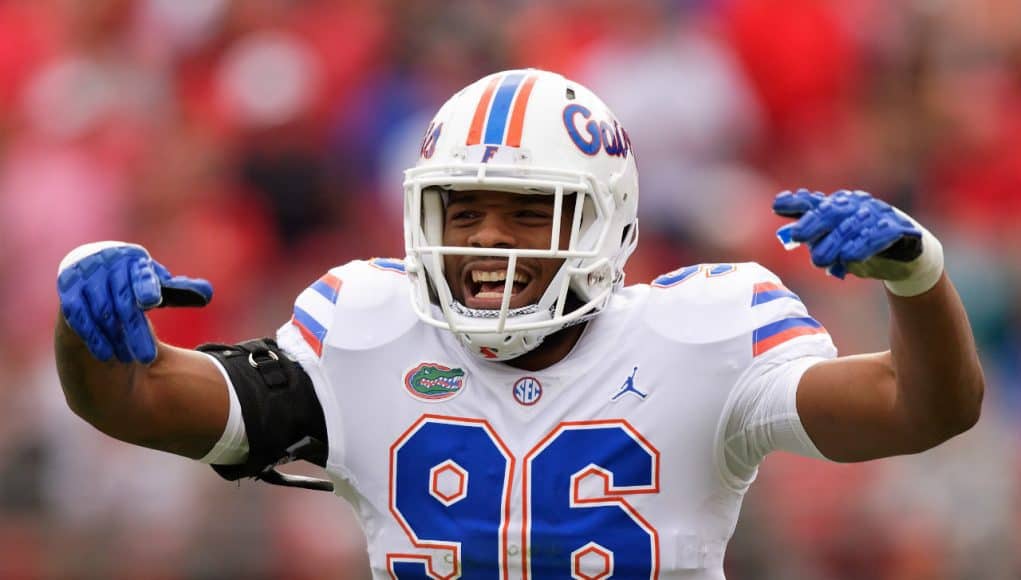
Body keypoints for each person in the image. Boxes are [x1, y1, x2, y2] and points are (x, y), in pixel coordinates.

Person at [54, 69, 984, 579]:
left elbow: (921, 407)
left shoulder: (703, 332)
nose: (488, 242)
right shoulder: (363, 326)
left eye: (526, 213)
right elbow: (136, 402)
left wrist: (916, 279)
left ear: (602, 223)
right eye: (463, 213)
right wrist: (86, 322)